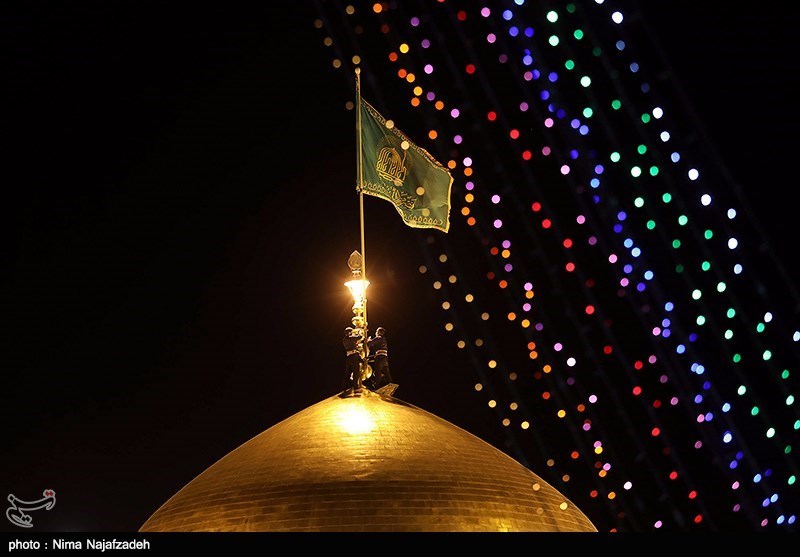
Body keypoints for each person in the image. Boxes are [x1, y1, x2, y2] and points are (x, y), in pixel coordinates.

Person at [342, 326, 363, 391]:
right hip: (354, 356)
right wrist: (359, 332)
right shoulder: (351, 338)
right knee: (356, 372)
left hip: (349, 357)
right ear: (349, 332)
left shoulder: (344, 340)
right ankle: (355, 387)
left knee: (347, 373)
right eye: (351, 332)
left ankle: (344, 387)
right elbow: (360, 337)